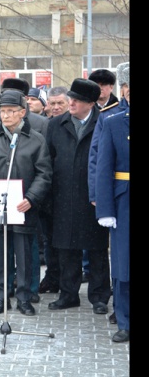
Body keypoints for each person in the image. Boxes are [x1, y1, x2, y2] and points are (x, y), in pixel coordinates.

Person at [0, 90, 52, 316]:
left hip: (23, 208)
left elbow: (44, 174)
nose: (5, 116)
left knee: (24, 255)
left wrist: (31, 198)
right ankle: (1, 296)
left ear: (22, 113)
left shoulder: (36, 140)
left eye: (10, 111)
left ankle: (24, 298)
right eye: (2, 111)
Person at [45, 78, 111, 314]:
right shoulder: (56, 124)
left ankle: (99, 296)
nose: (71, 103)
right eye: (71, 98)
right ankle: (68, 294)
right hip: (63, 194)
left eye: (77, 100)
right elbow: (48, 158)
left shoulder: (104, 122)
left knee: (97, 249)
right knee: (66, 248)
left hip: (93, 196)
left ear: (91, 103)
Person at [88, 62, 129, 326]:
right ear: (124, 90)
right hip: (123, 198)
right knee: (123, 262)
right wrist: (102, 203)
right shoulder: (112, 120)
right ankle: (124, 318)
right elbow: (100, 163)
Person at [38, 85, 70, 295]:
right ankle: (52, 277)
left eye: (60, 103)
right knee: (49, 240)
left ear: (69, 103)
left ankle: (67, 281)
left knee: (66, 242)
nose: (56, 107)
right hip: (48, 192)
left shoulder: (73, 124)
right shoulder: (46, 125)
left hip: (68, 192)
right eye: (53, 103)